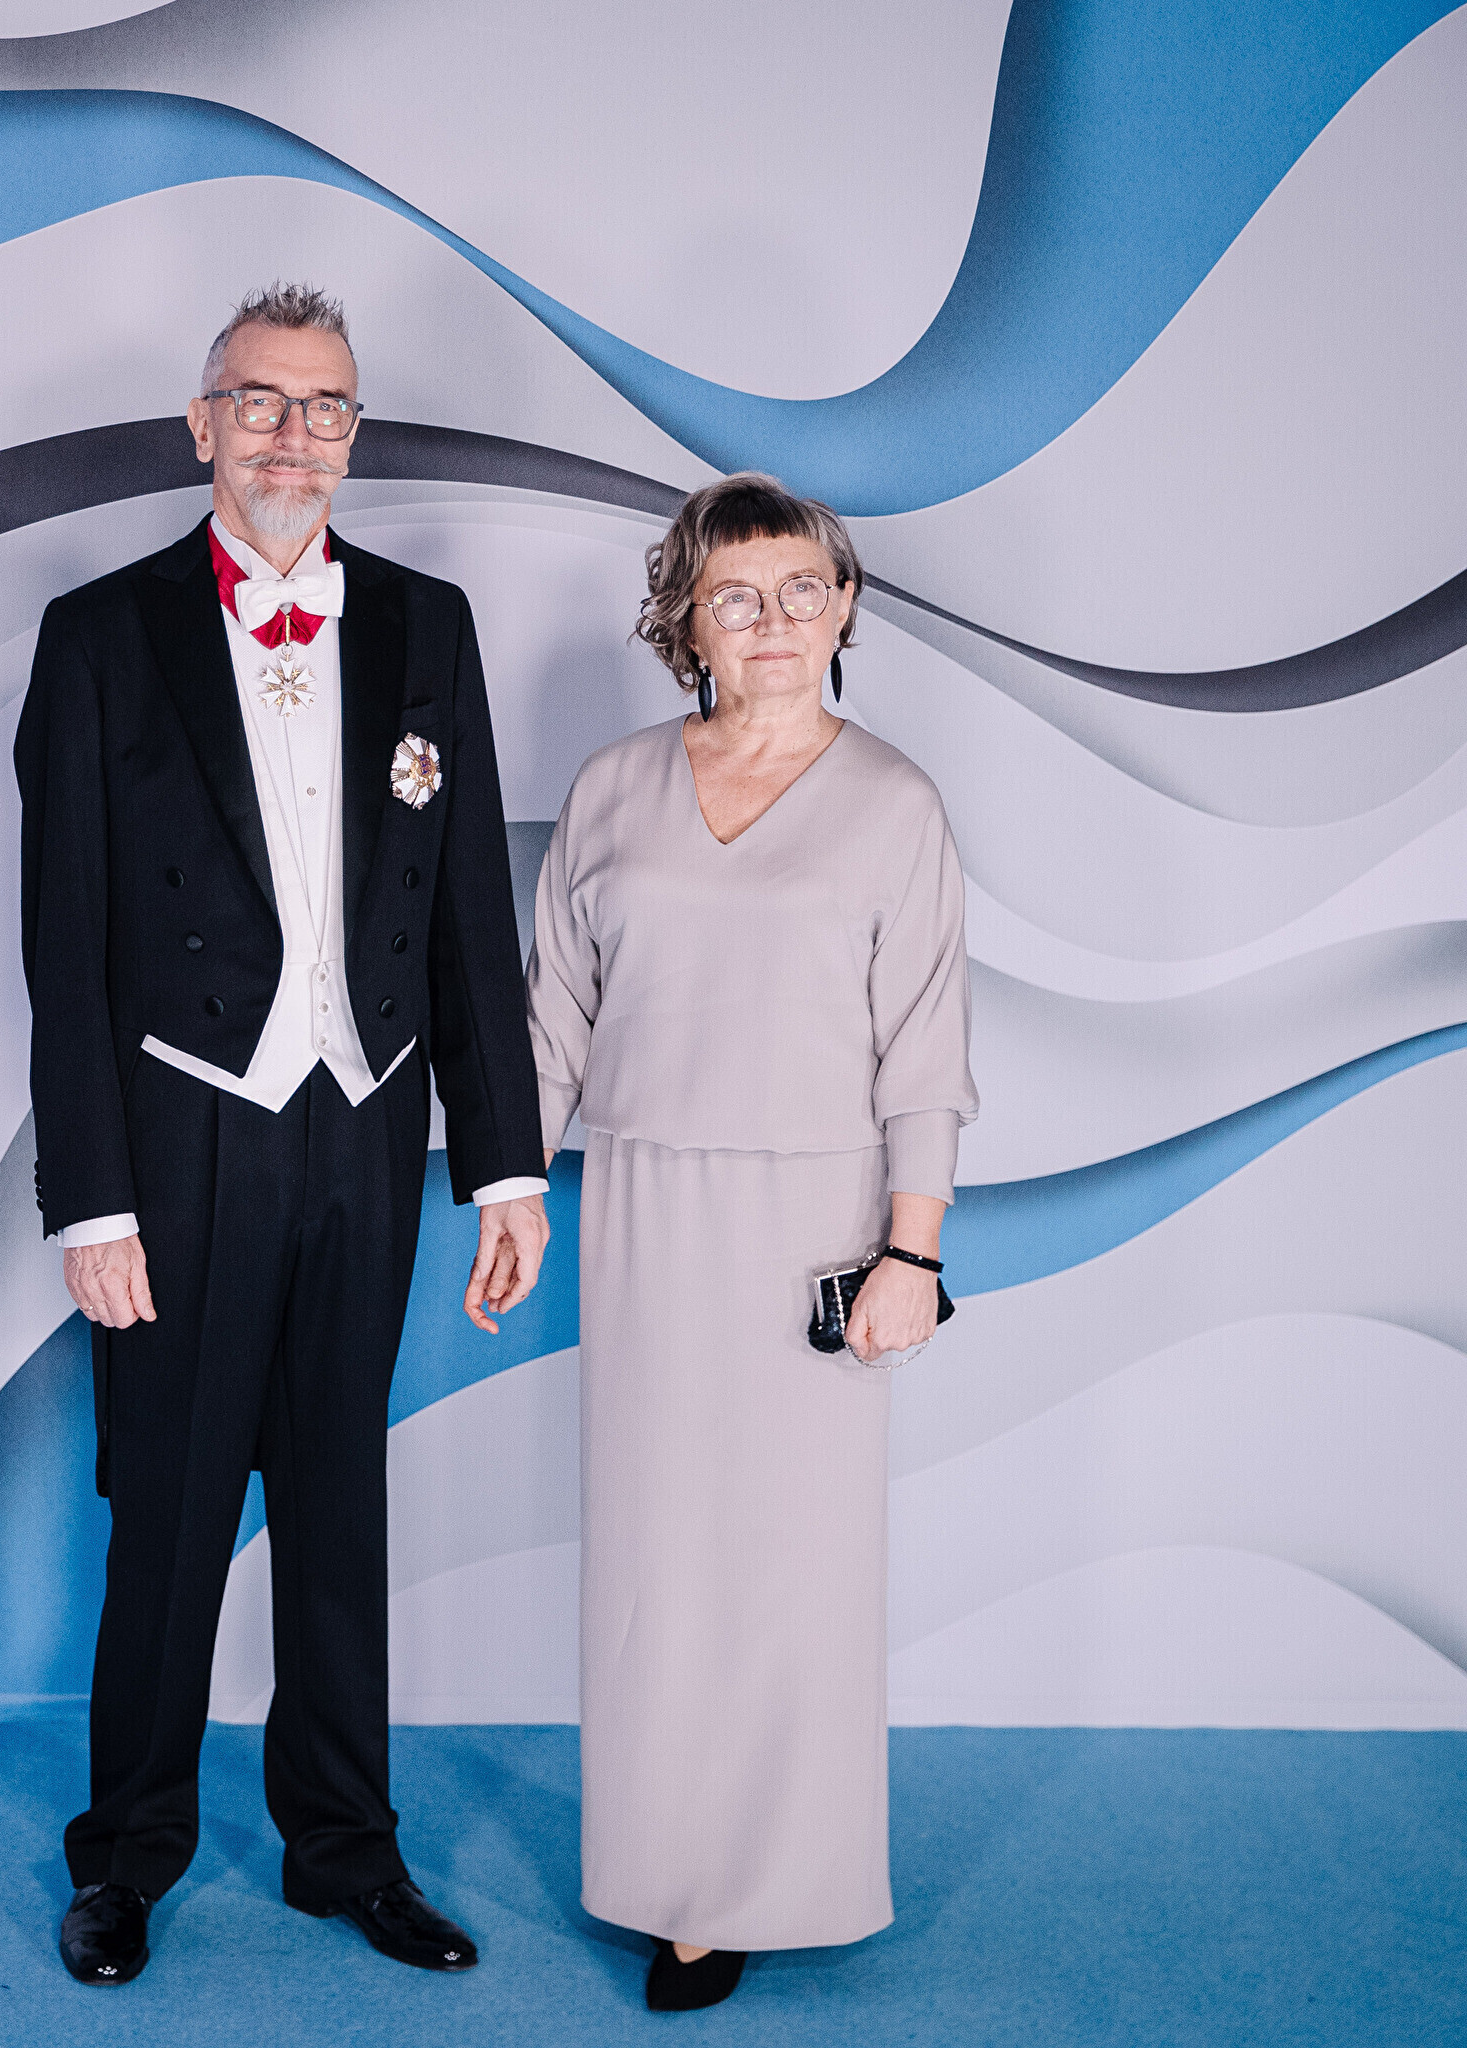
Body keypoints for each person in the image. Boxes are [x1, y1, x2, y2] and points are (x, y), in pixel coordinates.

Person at [16, 283, 553, 1986]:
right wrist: (92, 1200)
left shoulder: (427, 625)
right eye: (259, 401)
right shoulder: (101, 635)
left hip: (366, 1128)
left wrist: (507, 1162)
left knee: (337, 1510)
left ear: (352, 434)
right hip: (182, 1138)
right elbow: (64, 944)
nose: (292, 436)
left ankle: (346, 1849)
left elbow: (468, 916)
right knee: (170, 1518)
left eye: (324, 408)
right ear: (204, 424)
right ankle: (128, 1858)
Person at [526, 473, 977, 2012]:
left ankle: (780, 1879)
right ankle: (679, 1889)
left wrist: (911, 1256)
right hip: (644, 1210)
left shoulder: (897, 806)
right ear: (685, 621)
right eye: (735, 594)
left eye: (801, 590)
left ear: (844, 610)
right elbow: (552, 1017)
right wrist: (507, 1190)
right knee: (658, 1560)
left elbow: (926, 1053)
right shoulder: (612, 789)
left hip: (819, 1224)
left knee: (794, 1566)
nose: (772, 620)